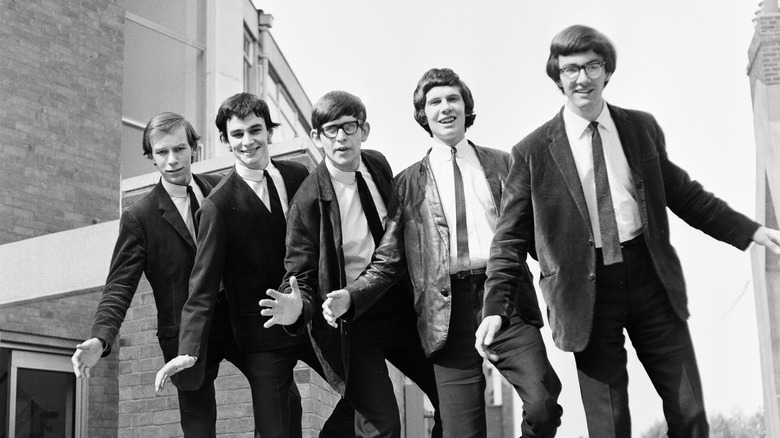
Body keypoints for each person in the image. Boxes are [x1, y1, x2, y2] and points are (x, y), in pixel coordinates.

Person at [476, 24, 780, 437]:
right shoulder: (531, 153)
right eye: (570, 69)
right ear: (557, 76)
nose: (582, 78)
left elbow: (685, 195)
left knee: (690, 414)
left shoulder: (640, 129)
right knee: (610, 425)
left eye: (592, 66)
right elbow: (508, 240)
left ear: (607, 71)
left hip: (649, 279)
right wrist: (495, 307)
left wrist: (750, 231)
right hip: (586, 295)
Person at [322, 69, 562, 438]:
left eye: (453, 99)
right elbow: (388, 261)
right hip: (446, 316)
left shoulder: (504, 164)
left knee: (543, 405)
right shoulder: (406, 183)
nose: (445, 108)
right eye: (435, 102)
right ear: (424, 115)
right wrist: (351, 296)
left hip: (506, 299)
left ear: (467, 107)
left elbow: (538, 237)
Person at [154, 93, 354, 438]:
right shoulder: (217, 206)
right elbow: (201, 286)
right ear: (225, 141)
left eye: (255, 129)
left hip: (312, 322)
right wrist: (188, 349)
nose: (248, 141)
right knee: (278, 430)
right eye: (237, 134)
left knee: (369, 399)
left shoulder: (298, 176)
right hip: (263, 339)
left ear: (269, 131)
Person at [262, 90, 442, 438]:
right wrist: (297, 307)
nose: (341, 137)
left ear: (365, 130)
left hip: (398, 308)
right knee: (383, 424)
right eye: (331, 129)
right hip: (351, 323)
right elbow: (299, 274)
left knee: (451, 394)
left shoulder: (378, 164)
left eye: (349, 127)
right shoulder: (307, 200)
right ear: (317, 137)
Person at [71, 112, 227, 437]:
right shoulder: (139, 218)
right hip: (185, 332)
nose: (171, 160)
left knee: (277, 393)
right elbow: (119, 286)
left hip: (237, 319)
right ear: (151, 157)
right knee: (199, 428)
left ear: (193, 149)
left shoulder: (221, 193)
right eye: (161, 152)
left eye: (179, 149)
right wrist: (102, 336)